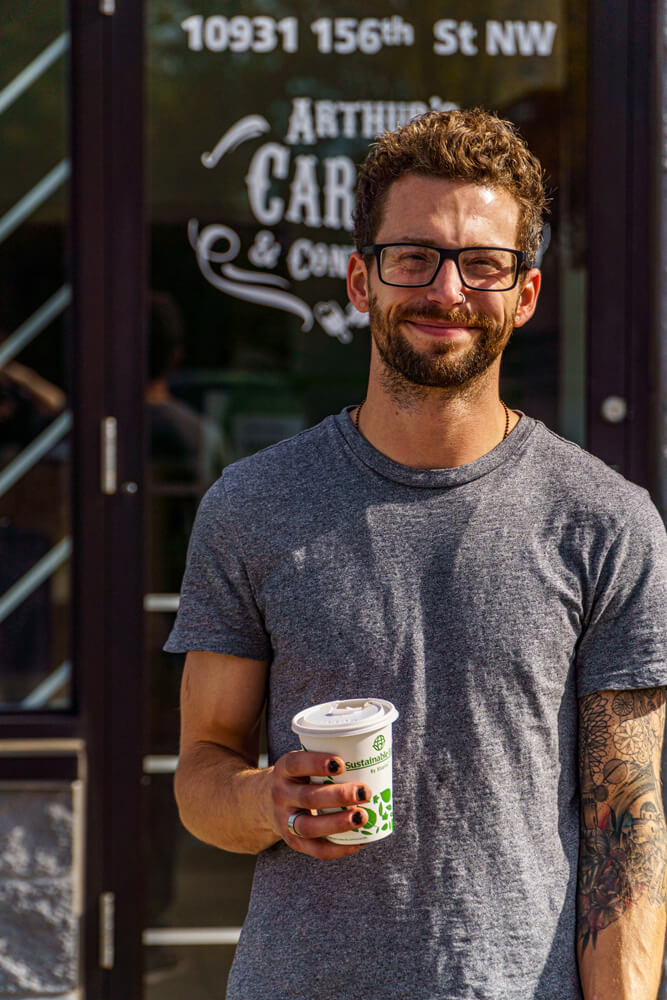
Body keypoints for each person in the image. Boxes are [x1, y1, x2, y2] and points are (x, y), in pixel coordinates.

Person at [165, 109, 667, 999]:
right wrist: (266, 802)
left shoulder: (605, 522)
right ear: (362, 279)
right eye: (413, 258)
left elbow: (624, 827)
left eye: (484, 263)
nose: (447, 290)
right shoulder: (252, 504)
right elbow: (202, 764)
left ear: (526, 293)